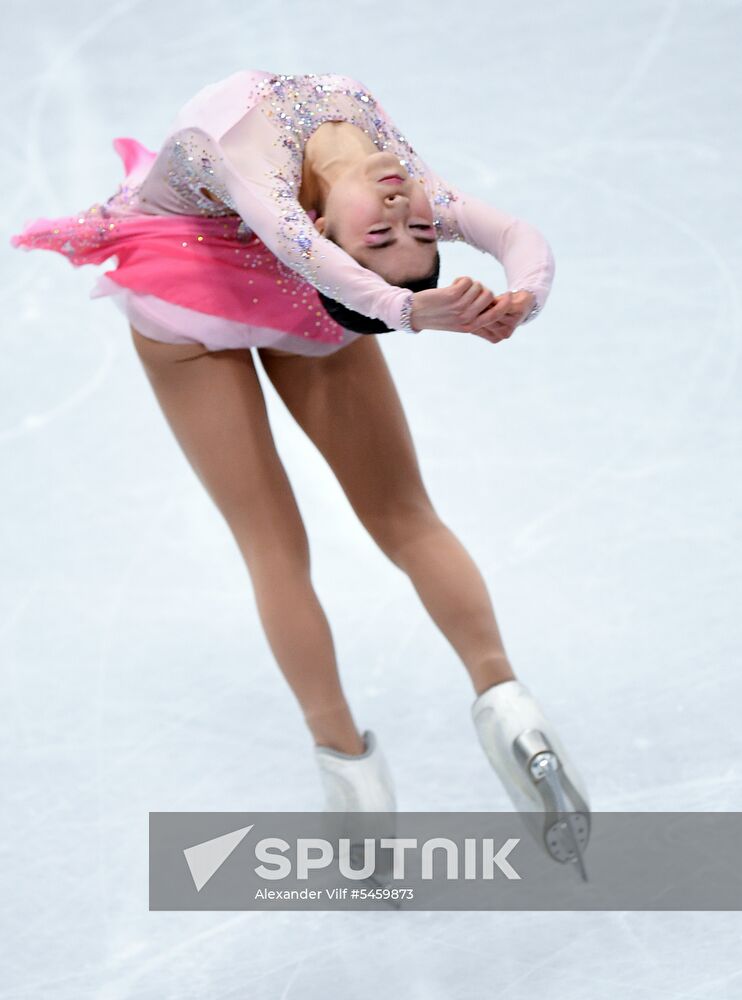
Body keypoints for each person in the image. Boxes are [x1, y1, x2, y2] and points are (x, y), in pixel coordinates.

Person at [10, 69, 590, 875]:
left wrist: (500, 300)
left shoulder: (280, 197)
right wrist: (447, 298)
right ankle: (506, 718)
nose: (401, 210)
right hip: (288, 292)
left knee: (277, 546)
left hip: (197, 295)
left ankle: (370, 778)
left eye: (388, 234)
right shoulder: (380, 183)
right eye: (416, 229)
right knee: (397, 518)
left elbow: (339, 252)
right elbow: (462, 240)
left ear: (325, 228)